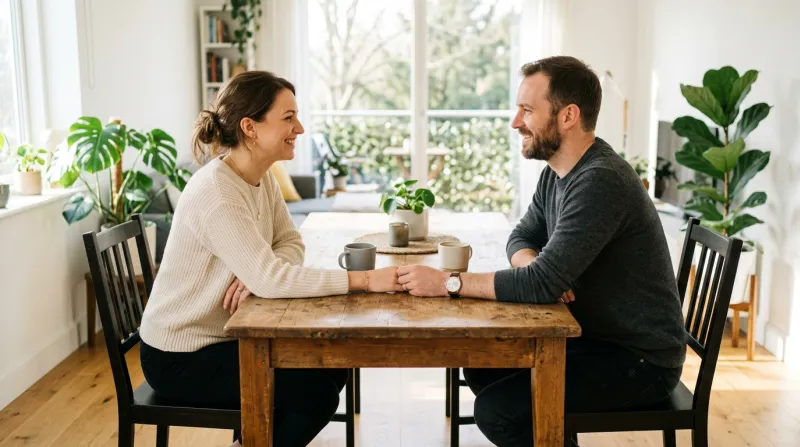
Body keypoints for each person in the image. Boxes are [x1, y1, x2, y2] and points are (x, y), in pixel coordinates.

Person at [396, 56, 688, 446]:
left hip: (638, 359)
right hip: (594, 336)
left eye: (528, 110)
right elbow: (520, 237)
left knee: (498, 413)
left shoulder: (601, 181)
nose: (515, 122)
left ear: (568, 116)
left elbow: (539, 285)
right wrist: (538, 267)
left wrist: (448, 283)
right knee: (482, 366)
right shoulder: (558, 172)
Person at [138, 71, 401, 447]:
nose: (300, 128)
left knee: (333, 366)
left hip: (219, 338)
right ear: (250, 128)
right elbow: (273, 279)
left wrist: (256, 272)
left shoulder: (261, 178)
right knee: (315, 394)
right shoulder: (218, 192)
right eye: (288, 118)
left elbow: (290, 242)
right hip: (181, 353)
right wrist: (365, 280)